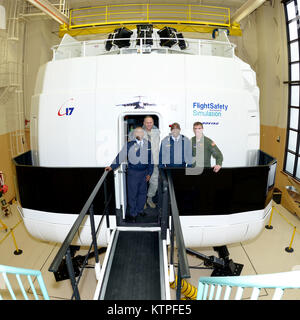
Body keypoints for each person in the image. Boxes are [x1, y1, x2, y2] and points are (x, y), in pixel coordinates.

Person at [105, 127, 154, 222]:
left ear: (143, 134)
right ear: (135, 134)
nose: (139, 133)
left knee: (143, 194)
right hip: (133, 174)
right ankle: (133, 213)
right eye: (137, 132)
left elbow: (150, 160)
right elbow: (121, 155)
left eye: (141, 131)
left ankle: (140, 210)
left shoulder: (148, 144)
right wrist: (112, 166)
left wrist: (149, 173)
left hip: (144, 173)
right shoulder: (129, 144)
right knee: (133, 194)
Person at [128, 116, 160, 209]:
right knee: (142, 183)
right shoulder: (139, 131)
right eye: (147, 122)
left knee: (154, 183)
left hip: (154, 162)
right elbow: (130, 139)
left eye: (151, 122)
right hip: (142, 163)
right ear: (144, 123)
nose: (149, 124)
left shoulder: (157, 132)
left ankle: (149, 198)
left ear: (153, 122)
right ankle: (142, 201)